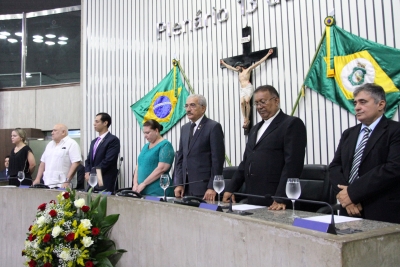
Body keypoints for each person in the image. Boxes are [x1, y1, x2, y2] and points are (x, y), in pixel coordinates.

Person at [222, 85, 307, 208]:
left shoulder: (291, 124)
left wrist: (281, 197)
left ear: (276, 101)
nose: (259, 107)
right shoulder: (255, 128)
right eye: (256, 103)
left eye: (263, 102)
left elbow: (293, 164)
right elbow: (246, 162)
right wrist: (231, 188)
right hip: (253, 195)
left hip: (276, 199)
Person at [329, 83, 400, 224]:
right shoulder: (349, 134)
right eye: (355, 103)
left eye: (363, 102)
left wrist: (353, 193)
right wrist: (347, 199)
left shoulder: (395, 131)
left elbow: (393, 168)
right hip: (348, 210)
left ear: (380, 104)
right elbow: (335, 167)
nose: (357, 107)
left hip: (381, 211)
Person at [174, 94, 225, 201]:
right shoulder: (185, 128)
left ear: (203, 108)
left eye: (192, 105)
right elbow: (180, 158)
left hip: (204, 188)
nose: (188, 109)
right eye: (186, 106)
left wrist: (212, 186)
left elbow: (217, 160)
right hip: (185, 188)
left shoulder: (213, 127)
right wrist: (179, 183)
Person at [220, 49, 274, 129]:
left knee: (247, 101)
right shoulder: (238, 72)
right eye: (236, 67)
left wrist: (268, 54)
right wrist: (223, 63)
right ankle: (245, 118)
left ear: (241, 65)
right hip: (242, 89)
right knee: (242, 103)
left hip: (248, 87)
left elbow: (259, 62)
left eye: (237, 66)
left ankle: (247, 118)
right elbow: (229, 67)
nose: (237, 68)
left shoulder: (248, 70)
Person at [132, 119, 175, 196]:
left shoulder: (165, 145)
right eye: (144, 133)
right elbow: (138, 165)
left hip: (158, 191)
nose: (145, 136)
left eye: (148, 133)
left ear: (156, 130)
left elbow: (162, 168)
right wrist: (135, 183)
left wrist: (144, 183)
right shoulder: (145, 146)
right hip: (141, 190)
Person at [33, 124, 81, 188]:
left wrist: (67, 180)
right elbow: (43, 162)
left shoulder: (72, 144)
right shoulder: (49, 144)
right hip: (47, 183)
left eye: (55, 130)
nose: (52, 133)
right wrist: (37, 178)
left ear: (63, 132)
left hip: (63, 185)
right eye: (52, 131)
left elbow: (76, 163)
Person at [85, 112, 120, 192]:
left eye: (97, 122)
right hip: (92, 180)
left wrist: (92, 173)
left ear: (105, 123)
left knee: (102, 202)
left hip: (104, 179)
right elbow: (88, 160)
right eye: (94, 121)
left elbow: (108, 161)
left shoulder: (113, 140)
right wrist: (87, 172)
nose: (94, 124)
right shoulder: (94, 141)